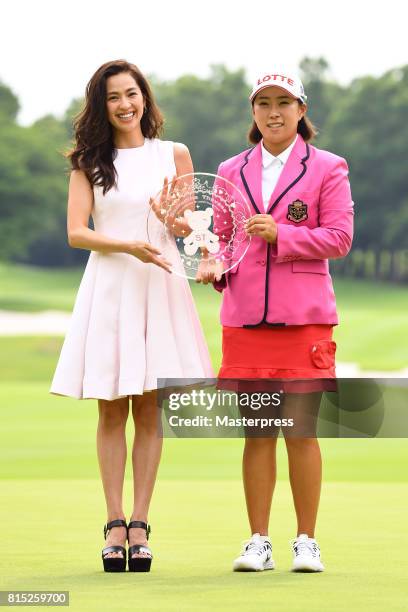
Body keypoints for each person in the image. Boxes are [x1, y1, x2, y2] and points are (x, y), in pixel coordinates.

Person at [49, 60, 213, 573]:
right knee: (111, 409)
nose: (125, 104)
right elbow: (77, 231)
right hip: (112, 287)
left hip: (160, 286)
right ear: (101, 106)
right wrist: (128, 245)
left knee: (148, 410)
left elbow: (190, 231)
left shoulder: (175, 154)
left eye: (131, 93)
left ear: (145, 97)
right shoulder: (87, 161)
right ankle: (113, 520)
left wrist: (171, 221)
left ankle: (140, 524)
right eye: (113, 97)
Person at [197, 71, 354, 572]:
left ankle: (307, 540)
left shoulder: (327, 167)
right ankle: (258, 541)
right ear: (253, 112)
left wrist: (281, 234)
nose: (273, 112)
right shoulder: (230, 169)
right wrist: (214, 264)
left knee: (301, 433)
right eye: (263, 103)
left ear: (302, 109)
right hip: (245, 322)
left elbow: (339, 238)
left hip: (304, 322)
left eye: (283, 102)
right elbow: (224, 239)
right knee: (258, 433)